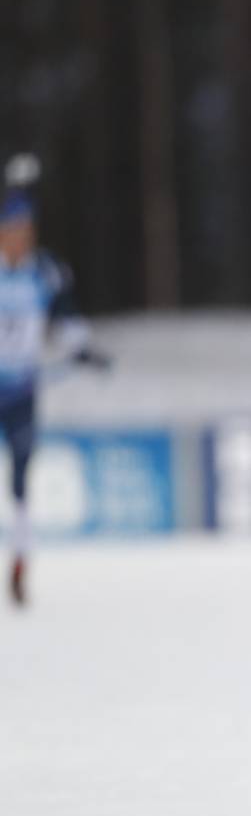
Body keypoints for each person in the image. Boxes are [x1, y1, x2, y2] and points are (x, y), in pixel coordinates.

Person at [0, 177, 102, 605]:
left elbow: (66, 318)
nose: (21, 238)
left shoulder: (45, 272)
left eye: (27, 230)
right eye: (13, 230)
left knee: (22, 481)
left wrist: (83, 349)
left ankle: (21, 564)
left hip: (22, 388)